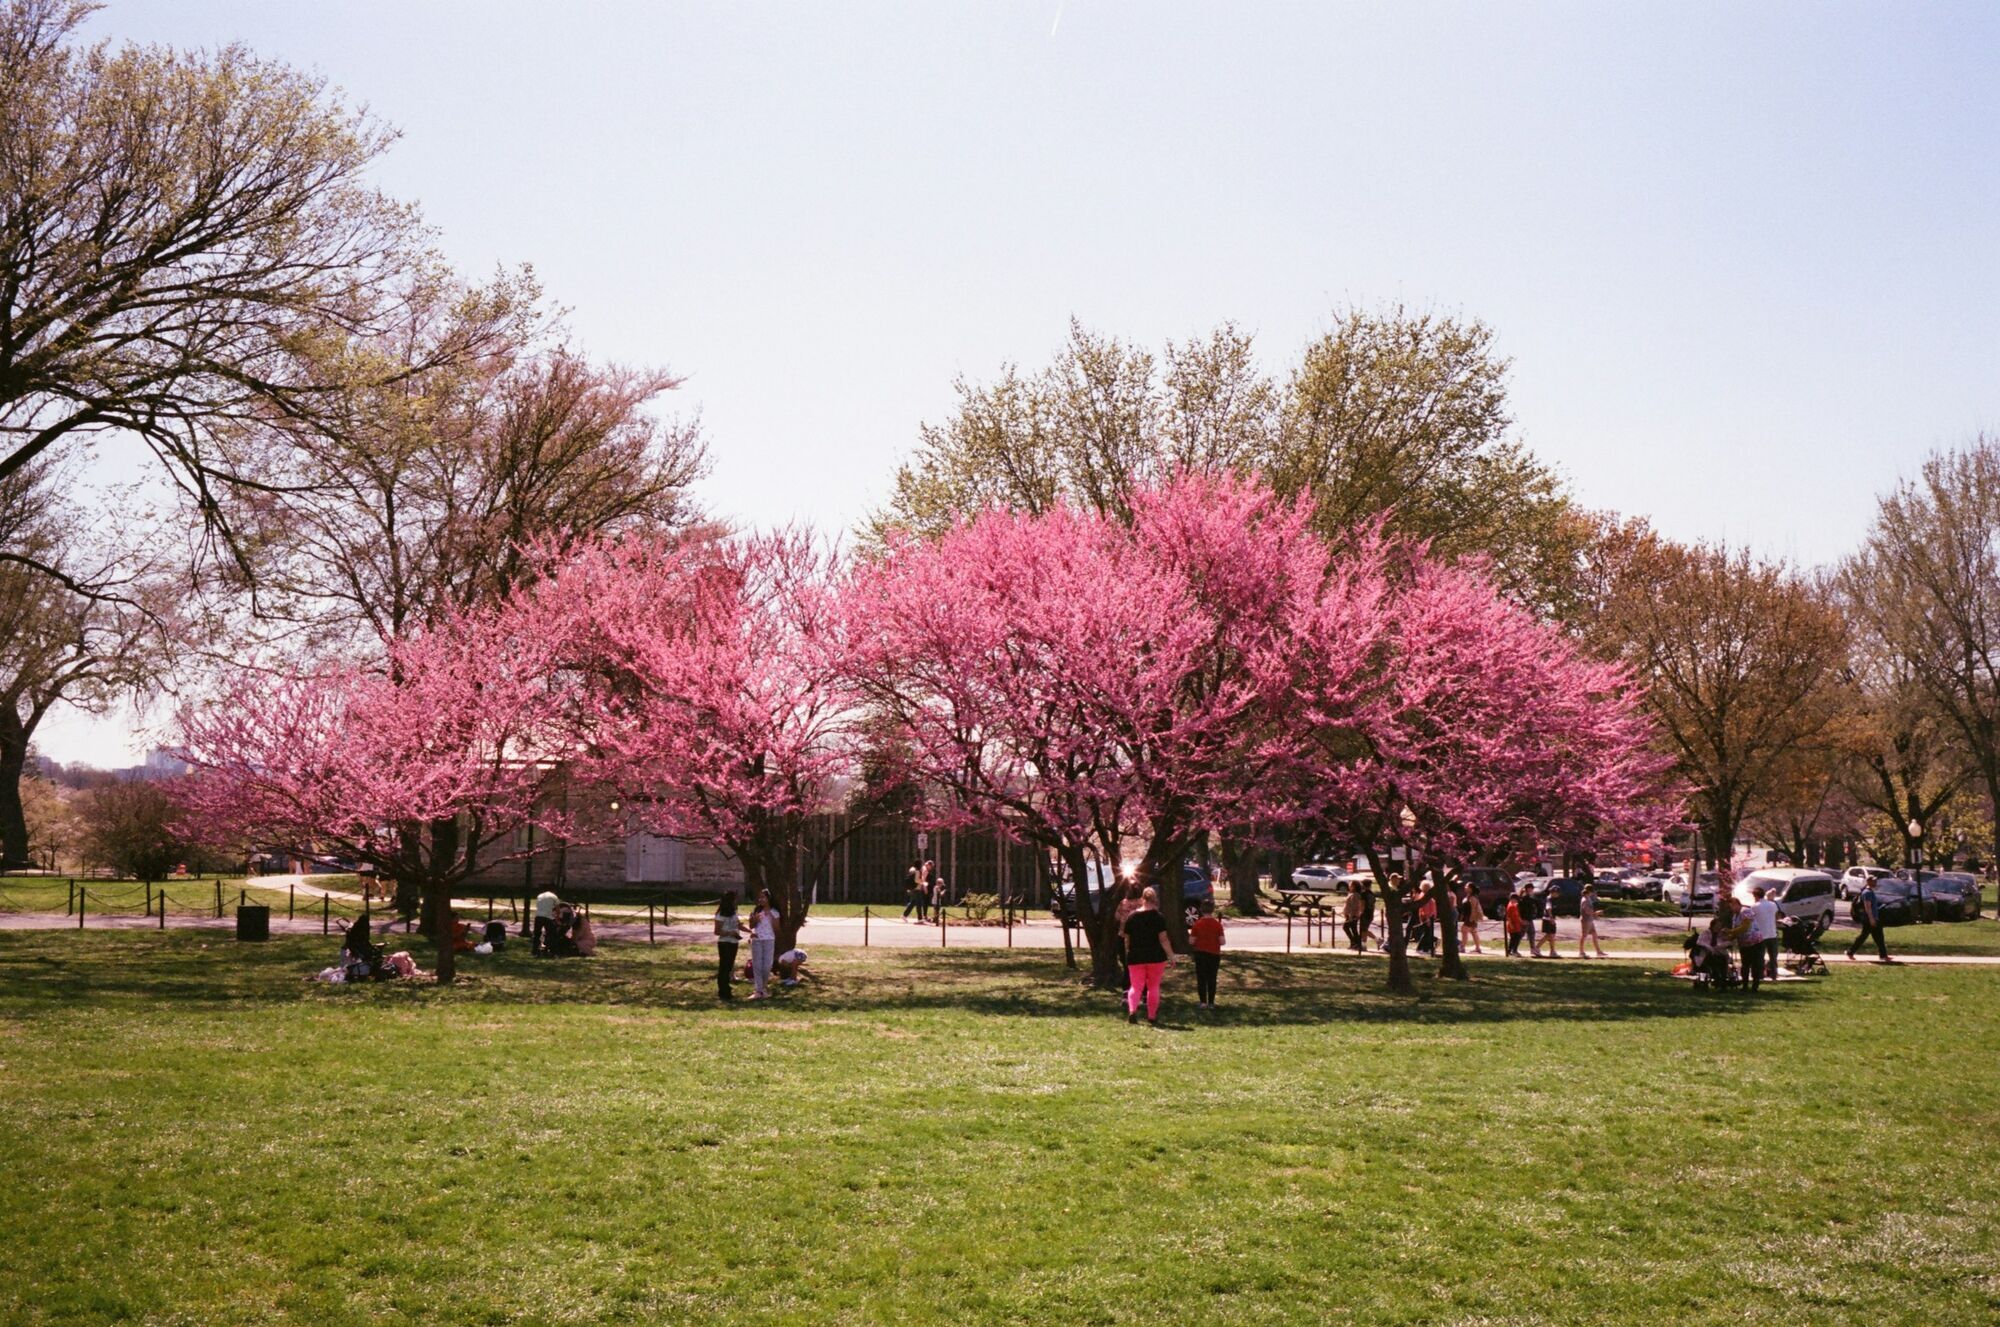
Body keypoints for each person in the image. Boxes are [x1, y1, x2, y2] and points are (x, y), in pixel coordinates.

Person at [1120, 886, 1174, 1026]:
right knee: (1153, 987)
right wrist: (1171, 955)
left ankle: (1132, 1011)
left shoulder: (1132, 917)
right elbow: (1163, 939)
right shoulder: (1159, 917)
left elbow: (1127, 938)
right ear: (1155, 900)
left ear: (1142, 899)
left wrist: (1128, 951)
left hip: (1136, 956)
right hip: (1156, 957)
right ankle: (1151, 1016)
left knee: (1135, 986)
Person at [1737, 884, 1777, 992]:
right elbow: (1776, 915)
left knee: (1759, 958)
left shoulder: (1754, 907)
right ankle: (1773, 974)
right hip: (1772, 933)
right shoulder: (1773, 905)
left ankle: (1761, 974)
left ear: (1755, 896)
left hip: (1761, 935)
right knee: (1773, 956)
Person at [1189, 899, 1225, 1009]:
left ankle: (1203, 1002)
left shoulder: (1197, 924)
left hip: (1200, 953)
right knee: (1212, 978)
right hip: (1214, 953)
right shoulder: (1217, 925)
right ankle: (1211, 1002)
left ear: (1201, 909)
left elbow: (1191, 941)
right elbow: (1222, 942)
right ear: (1213, 910)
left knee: (1201, 978)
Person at [1846, 877, 1892, 963]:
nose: (1875, 882)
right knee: (1863, 936)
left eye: (1875, 880)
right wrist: (1871, 919)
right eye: (1874, 881)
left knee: (1879, 937)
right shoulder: (1867, 893)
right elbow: (1867, 907)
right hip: (1869, 919)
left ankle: (1883, 955)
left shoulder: (1870, 892)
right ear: (1868, 882)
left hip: (1874, 918)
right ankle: (1850, 952)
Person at [748, 889, 778, 999]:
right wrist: (754, 919)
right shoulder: (756, 911)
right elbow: (751, 926)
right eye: (759, 897)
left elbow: (776, 928)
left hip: (769, 940)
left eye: (763, 897)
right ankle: (758, 990)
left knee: (767, 966)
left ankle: (763, 988)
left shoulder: (774, 912)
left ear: (768, 898)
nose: (761, 900)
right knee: (757, 965)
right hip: (757, 940)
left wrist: (771, 916)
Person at [714, 890, 741, 1001]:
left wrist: (751, 932)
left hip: (734, 942)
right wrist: (730, 933)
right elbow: (717, 931)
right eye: (735, 899)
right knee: (724, 967)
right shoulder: (720, 915)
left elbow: (739, 925)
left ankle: (727, 988)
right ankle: (723, 991)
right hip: (724, 942)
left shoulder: (734, 913)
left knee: (729, 967)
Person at [1576, 882, 1607, 959]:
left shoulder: (1588, 898)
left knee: (1594, 934)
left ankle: (1598, 951)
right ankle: (1581, 952)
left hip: (1590, 919)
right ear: (1589, 891)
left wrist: (1594, 914)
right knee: (1584, 935)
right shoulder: (1585, 900)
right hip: (1585, 920)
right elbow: (1587, 911)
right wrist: (1596, 913)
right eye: (1592, 891)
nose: (1592, 893)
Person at [532, 888, 560, 956]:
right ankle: (552, 951)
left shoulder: (540, 896)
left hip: (538, 916)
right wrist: (557, 919)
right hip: (547, 917)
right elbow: (558, 909)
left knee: (537, 934)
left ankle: (535, 951)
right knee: (551, 934)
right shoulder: (554, 896)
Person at [1459, 882, 1484, 955]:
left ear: (1471, 889)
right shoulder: (1468, 896)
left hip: (1470, 918)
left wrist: (1471, 918)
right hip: (1468, 917)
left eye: (1467, 886)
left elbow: (1473, 909)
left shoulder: (1472, 898)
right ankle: (1478, 948)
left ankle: (1462, 947)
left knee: (1464, 930)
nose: (1465, 887)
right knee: (1473, 932)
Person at [1342, 883, 1366, 952]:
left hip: (1352, 915)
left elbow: (1354, 906)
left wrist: (1351, 916)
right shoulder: (1351, 894)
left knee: (1346, 927)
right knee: (1353, 929)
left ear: (1354, 886)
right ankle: (1356, 944)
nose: (1349, 886)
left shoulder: (1355, 895)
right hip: (1349, 915)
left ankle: (1354, 942)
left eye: (1351, 885)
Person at [1504, 887, 1525, 957]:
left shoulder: (1514, 905)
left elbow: (1517, 915)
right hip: (1513, 925)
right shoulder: (1510, 906)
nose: (1517, 901)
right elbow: (1508, 917)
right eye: (1516, 899)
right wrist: (1511, 924)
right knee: (1516, 938)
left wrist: (1520, 921)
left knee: (1514, 938)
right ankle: (1514, 950)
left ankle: (1510, 950)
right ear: (1512, 899)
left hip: (1517, 924)